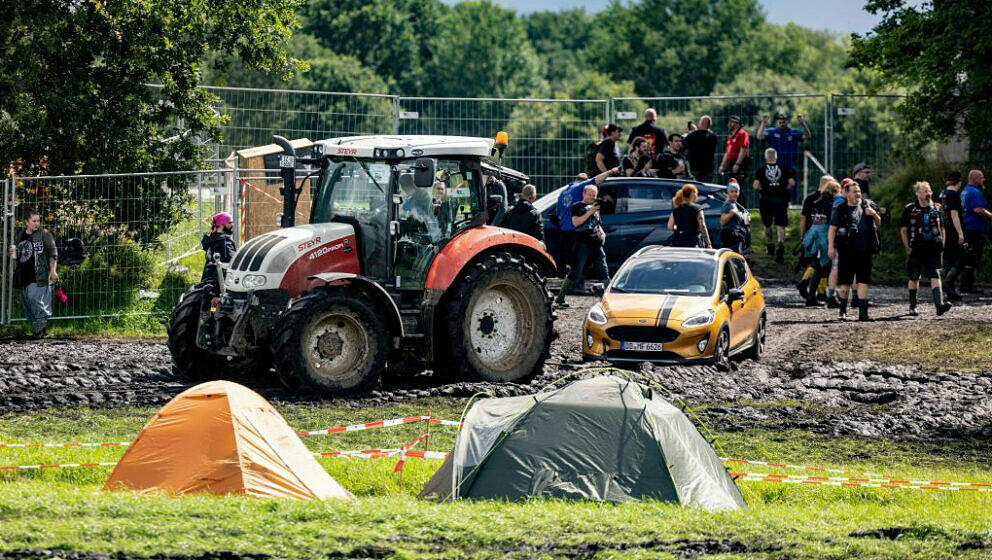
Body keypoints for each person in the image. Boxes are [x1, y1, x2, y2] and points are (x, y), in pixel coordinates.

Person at [828, 182, 882, 321]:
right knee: (845, 284)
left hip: (865, 250)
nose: (858, 194)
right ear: (847, 193)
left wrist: (874, 213)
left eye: (858, 191)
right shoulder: (840, 209)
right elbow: (832, 229)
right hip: (846, 251)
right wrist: (830, 247)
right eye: (854, 191)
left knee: (863, 281)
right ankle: (843, 311)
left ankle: (863, 314)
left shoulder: (867, 205)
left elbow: (879, 222)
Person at [554, 168, 620, 279]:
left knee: (580, 263)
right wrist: (610, 172)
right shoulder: (579, 189)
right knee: (579, 264)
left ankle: (579, 287)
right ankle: (576, 288)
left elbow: (558, 214)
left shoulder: (564, 192)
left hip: (566, 231)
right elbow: (596, 180)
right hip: (577, 231)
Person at [900, 181, 951, 316]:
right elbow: (904, 230)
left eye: (929, 190)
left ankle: (939, 305)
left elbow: (943, 228)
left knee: (936, 274)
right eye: (924, 191)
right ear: (917, 193)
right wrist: (907, 247)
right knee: (914, 276)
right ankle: (912, 305)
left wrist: (943, 244)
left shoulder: (938, 208)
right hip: (916, 248)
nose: (928, 193)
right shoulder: (910, 209)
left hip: (934, 247)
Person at [555, 184, 610, 306]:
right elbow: (576, 222)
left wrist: (602, 232)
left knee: (603, 269)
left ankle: (610, 299)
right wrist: (590, 211)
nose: (592, 197)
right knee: (576, 270)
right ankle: (560, 298)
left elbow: (597, 223)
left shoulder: (595, 207)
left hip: (596, 242)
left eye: (594, 195)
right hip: (582, 243)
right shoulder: (577, 206)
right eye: (590, 195)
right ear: (584, 194)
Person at [8, 206, 58, 339]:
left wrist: (53, 270)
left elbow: (53, 253)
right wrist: (13, 252)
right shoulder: (21, 235)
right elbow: (19, 255)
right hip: (24, 275)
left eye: (38, 221)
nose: (37, 223)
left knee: (34, 298)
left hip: (38, 275)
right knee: (28, 303)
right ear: (27, 222)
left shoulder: (44, 234)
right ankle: (38, 330)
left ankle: (41, 326)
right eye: (34, 221)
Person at [752, 147, 796, 264]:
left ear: (766, 157)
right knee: (781, 224)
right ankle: (780, 244)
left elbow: (756, 186)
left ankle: (770, 246)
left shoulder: (761, 170)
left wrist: (764, 190)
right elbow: (792, 183)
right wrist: (784, 190)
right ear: (776, 157)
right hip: (781, 199)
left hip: (766, 199)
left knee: (767, 223)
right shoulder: (785, 169)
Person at [796, 175, 836, 300]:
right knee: (821, 264)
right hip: (822, 236)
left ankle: (810, 285)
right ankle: (820, 291)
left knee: (815, 262)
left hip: (811, 234)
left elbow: (803, 218)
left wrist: (803, 235)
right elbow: (804, 218)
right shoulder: (828, 199)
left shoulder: (810, 198)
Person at [960, 169, 992, 293]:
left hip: (966, 228)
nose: (983, 180)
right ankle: (967, 286)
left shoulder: (965, 191)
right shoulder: (974, 192)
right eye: (981, 178)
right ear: (974, 179)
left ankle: (965, 285)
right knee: (973, 257)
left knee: (968, 256)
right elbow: (978, 209)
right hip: (974, 229)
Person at [938, 171, 966, 300]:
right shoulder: (954, 194)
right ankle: (948, 282)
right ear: (958, 182)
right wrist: (960, 233)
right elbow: (954, 215)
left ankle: (950, 290)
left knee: (950, 258)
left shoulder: (942, 193)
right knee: (962, 257)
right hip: (953, 230)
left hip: (943, 229)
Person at [201, 211, 237, 286]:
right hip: (221, 283)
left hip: (207, 279)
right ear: (221, 225)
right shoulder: (225, 242)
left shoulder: (212, 239)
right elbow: (233, 263)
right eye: (229, 223)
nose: (232, 225)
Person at [720, 180, 751, 259]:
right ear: (728, 193)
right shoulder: (728, 204)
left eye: (736, 191)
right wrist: (731, 213)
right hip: (729, 234)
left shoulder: (734, 204)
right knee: (733, 256)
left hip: (734, 234)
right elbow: (722, 222)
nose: (734, 194)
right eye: (732, 192)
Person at [684, 116, 718, 183]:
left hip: (695, 167)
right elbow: (705, 135)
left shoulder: (692, 135)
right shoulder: (713, 136)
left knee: (695, 186)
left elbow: (684, 144)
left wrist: (689, 133)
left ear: (700, 123)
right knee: (707, 186)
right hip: (708, 167)